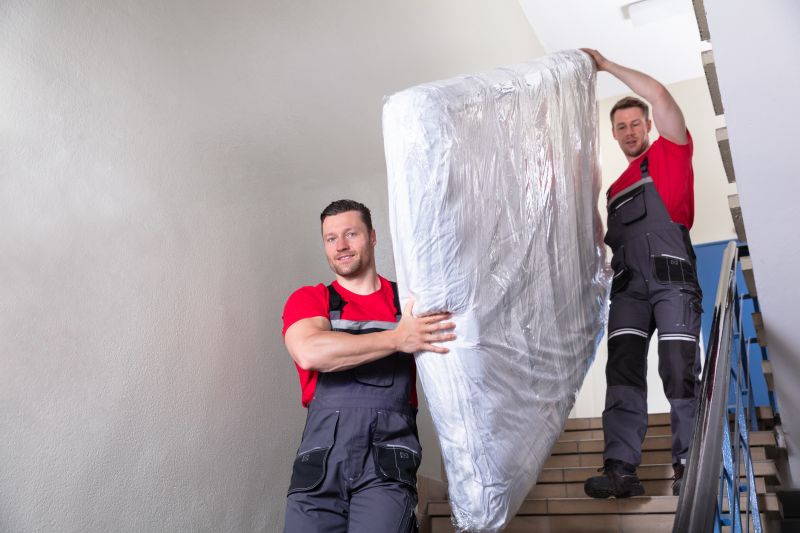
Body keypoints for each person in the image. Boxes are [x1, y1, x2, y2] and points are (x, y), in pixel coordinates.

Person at [282, 199, 455, 532]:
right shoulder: (312, 299)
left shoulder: (409, 304)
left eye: (351, 234)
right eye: (331, 238)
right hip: (321, 462)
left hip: (386, 461)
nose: (341, 246)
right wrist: (397, 339)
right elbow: (309, 351)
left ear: (372, 237)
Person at [580, 49, 702, 498]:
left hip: (672, 281)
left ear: (649, 125)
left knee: (677, 367)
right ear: (614, 134)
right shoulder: (614, 189)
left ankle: (688, 463)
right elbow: (605, 244)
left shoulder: (671, 152)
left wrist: (607, 66)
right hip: (629, 287)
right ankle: (621, 471)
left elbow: (661, 94)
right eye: (621, 126)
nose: (630, 131)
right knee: (623, 368)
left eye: (636, 123)